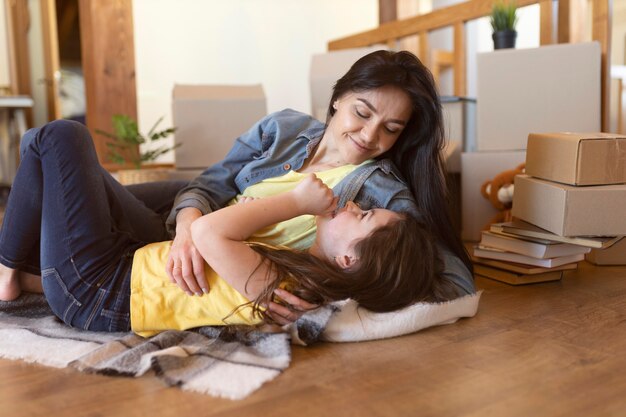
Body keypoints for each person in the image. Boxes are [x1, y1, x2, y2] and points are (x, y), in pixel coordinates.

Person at [0, 121, 446, 335]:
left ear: (348, 258)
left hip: (98, 289)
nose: (353, 205)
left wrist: (292, 202)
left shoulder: (284, 290)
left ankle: (7, 269)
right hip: (121, 268)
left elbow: (209, 233)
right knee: (61, 164)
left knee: (59, 138)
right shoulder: (293, 276)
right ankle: (27, 275)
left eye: (364, 215)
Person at [165, 50, 474, 322]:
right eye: (362, 113)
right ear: (338, 97)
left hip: (203, 266)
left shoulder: (384, 192)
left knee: (114, 211)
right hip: (190, 231)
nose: (368, 136)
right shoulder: (282, 128)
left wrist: (330, 304)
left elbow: (455, 285)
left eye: (390, 129)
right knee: (122, 195)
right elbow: (207, 187)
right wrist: (186, 230)